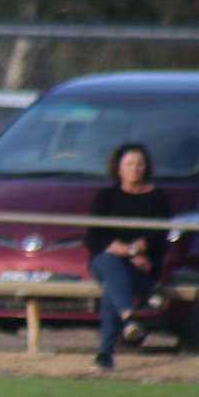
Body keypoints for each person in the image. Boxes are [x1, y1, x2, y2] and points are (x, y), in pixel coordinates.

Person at [83, 142, 173, 372]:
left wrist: (134, 252)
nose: (135, 168)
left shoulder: (158, 198)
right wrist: (125, 251)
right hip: (109, 260)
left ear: (146, 168)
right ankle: (128, 319)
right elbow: (94, 238)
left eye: (139, 164)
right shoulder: (106, 196)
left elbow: (157, 236)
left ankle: (105, 354)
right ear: (119, 168)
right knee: (108, 263)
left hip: (140, 269)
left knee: (111, 289)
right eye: (130, 164)